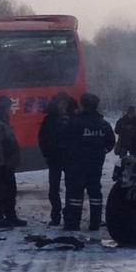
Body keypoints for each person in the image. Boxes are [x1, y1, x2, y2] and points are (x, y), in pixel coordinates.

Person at [64, 92, 115, 231]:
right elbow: (111, 142)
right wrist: (100, 152)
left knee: (75, 194)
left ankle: (73, 224)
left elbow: (67, 141)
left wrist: (73, 156)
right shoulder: (103, 124)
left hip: (78, 165)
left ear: (83, 105)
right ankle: (95, 223)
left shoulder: (75, 122)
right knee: (95, 193)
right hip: (96, 164)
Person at [0, 94, 26, 228]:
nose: (9, 110)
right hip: (0, 165)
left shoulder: (2, 120)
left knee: (9, 191)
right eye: (8, 107)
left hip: (6, 163)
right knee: (0, 192)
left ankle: (10, 216)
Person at [38, 92, 77, 226]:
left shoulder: (73, 118)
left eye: (64, 103)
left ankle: (68, 215)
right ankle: (55, 215)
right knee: (54, 188)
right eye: (60, 103)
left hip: (69, 158)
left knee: (70, 187)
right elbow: (42, 138)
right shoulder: (49, 120)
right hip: (54, 157)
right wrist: (47, 153)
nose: (62, 105)